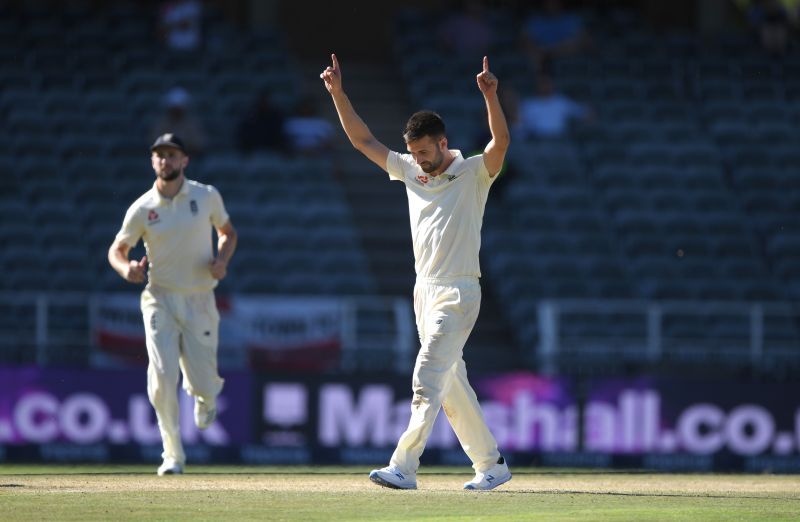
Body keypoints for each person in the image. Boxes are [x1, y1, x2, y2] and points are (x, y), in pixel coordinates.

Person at [320, 54, 512, 491]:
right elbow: (362, 140)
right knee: (451, 385)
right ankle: (492, 465)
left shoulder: (473, 173)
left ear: (443, 143)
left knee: (427, 376)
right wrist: (337, 94)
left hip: (460, 292)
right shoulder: (410, 170)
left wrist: (491, 96)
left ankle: (403, 467)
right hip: (423, 291)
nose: (418, 160)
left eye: (424, 152)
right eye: (413, 153)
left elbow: (500, 142)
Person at [107, 133, 238, 476]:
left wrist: (222, 260)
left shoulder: (205, 195)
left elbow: (228, 232)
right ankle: (172, 454)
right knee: (162, 375)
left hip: (199, 297)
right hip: (159, 298)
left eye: (172, 155)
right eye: (159, 155)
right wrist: (127, 269)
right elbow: (117, 250)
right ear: (153, 162)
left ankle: (205, 397)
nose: (165, 160)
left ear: (184, 161)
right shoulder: (143, 208)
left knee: (204, 383)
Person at [515, 72, 593, 139]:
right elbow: (519, 126)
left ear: (551, 84)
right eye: (542, 83)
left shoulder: (561, 101)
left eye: (547, 83)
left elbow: (583, 113)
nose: (544, 86)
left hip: (559, 141)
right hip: (536, 142)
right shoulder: (528, 104)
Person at [150, 86, 208, 157]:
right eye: (174, 109)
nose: (176, 112)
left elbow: (198, 145)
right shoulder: (162, 123)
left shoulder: (192, 124)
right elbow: (154, 143)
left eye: (178, 109)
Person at [236, 89, 288, 155]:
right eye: (262, 100)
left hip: (274, 149)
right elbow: (244, 133)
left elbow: (281, 134)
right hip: (254, 149)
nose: (263, 103)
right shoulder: (250, 115)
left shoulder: (276, 116)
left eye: (265, 100)